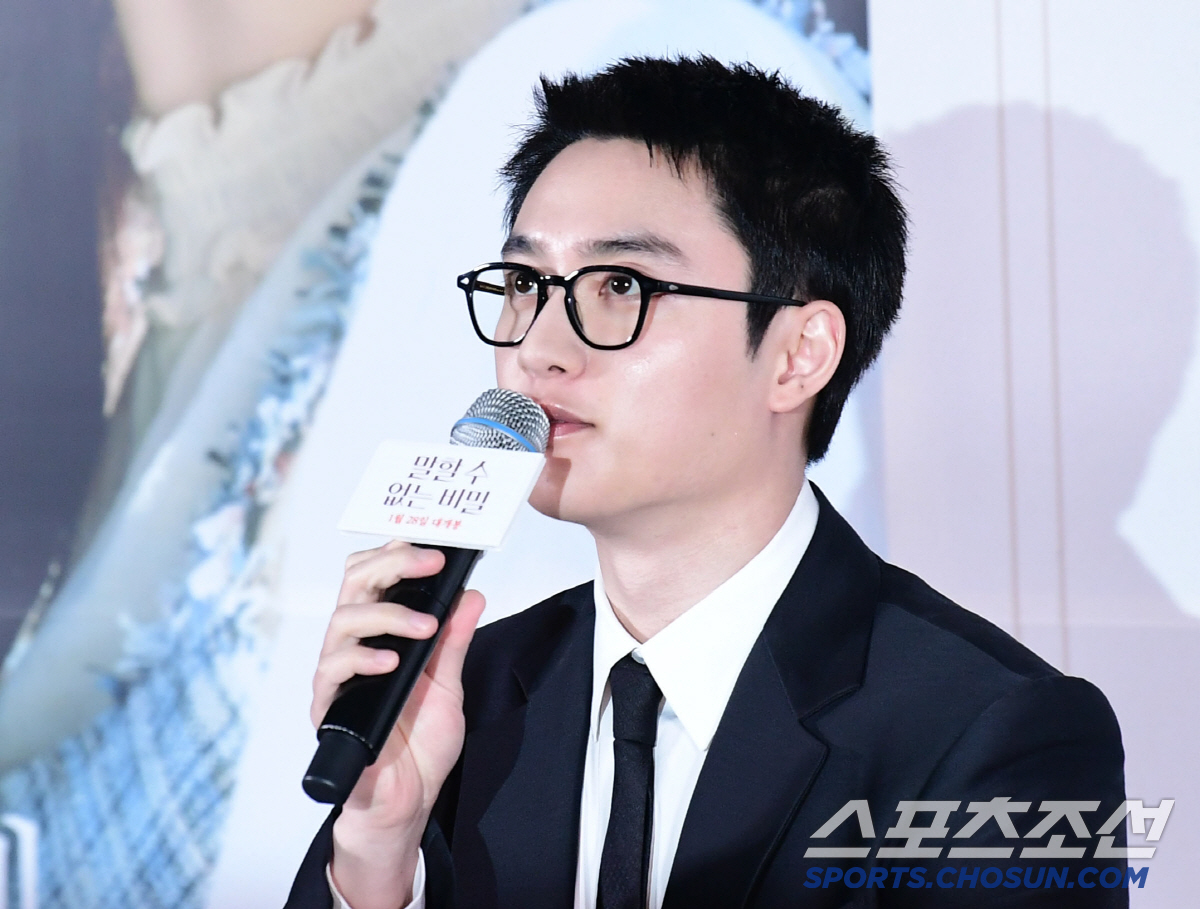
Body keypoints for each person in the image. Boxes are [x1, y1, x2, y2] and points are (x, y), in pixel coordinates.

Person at [286, 57, 1127, 909]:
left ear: (798, 356)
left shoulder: (992, 734)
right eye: (526, 283)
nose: (538, 349)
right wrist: (377, 856)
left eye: (621, 285)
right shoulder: (458, 698)